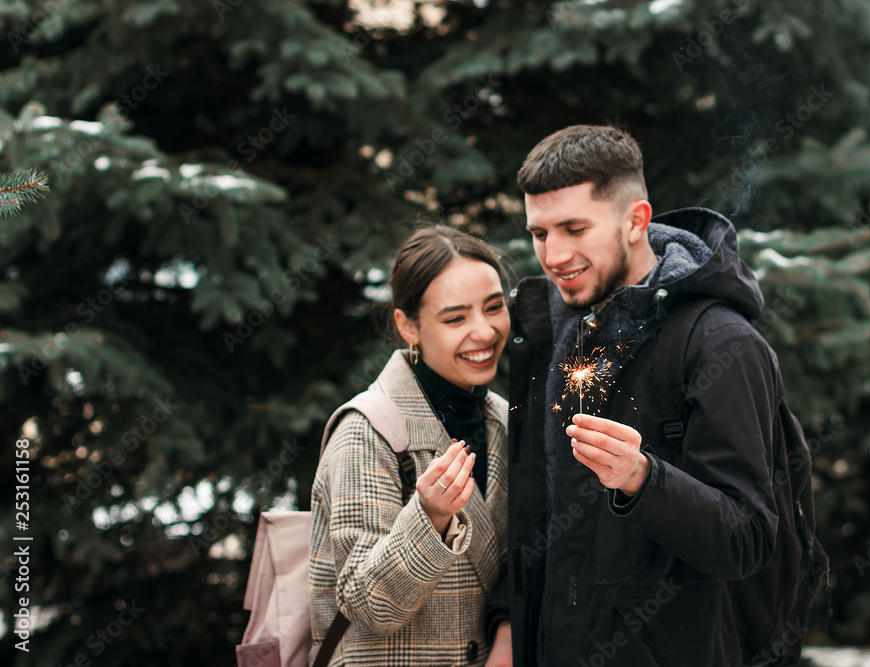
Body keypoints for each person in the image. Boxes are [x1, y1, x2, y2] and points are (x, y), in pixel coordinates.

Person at [485, 125, 785, 666]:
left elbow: (749, 540)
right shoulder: (545, 337)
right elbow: (536, 517)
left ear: (635, 220)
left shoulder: (723, 344)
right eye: (539, 233)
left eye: (574, 228)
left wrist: (644, 480)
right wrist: (508, 626)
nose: (553, 255)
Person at [309, 226, 512, 666]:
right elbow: (366, 607)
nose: (484, 331)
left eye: (494, 307)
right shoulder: (367, 431)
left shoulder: (507, 422)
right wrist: (431, 517)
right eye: (456, 318)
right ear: (408, 326)